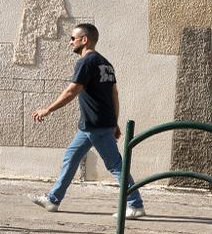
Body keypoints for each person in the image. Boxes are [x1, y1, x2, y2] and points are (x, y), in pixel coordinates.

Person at [29, 23, 146, 219]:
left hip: (96, 125)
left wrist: (47, 109)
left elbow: (72, 91)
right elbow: (114, 94)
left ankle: (135, 205)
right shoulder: (106, 63)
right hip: (93, 125)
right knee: (71, 157)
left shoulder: (86, 62)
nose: (70, 42)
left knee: (116, 165)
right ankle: (53, 200)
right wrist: (114, 122)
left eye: (72, 38)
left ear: (84, 40)